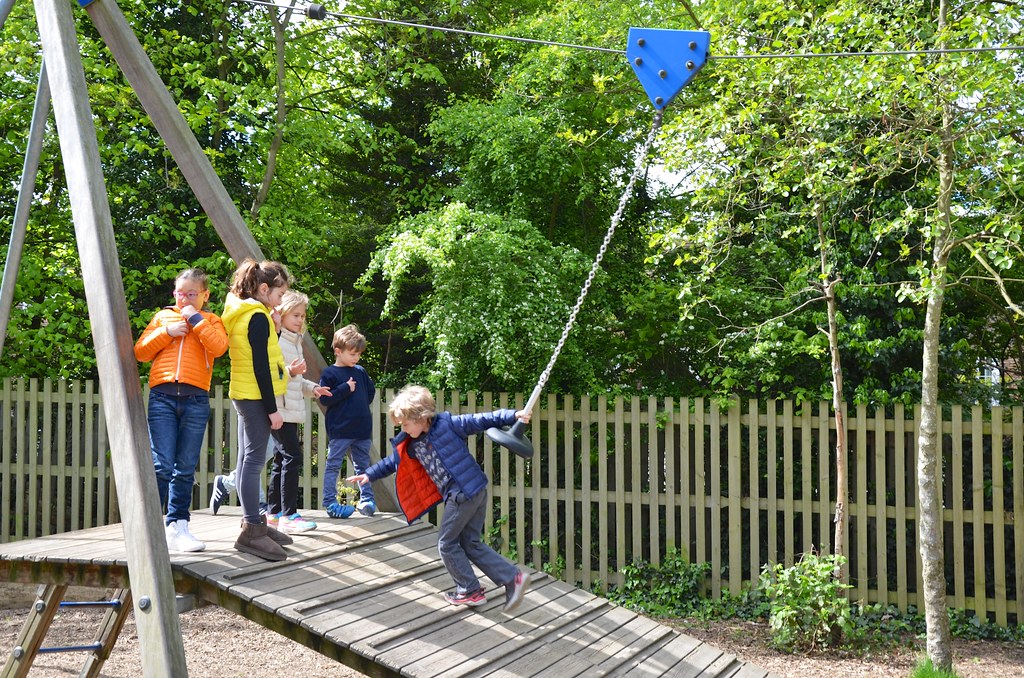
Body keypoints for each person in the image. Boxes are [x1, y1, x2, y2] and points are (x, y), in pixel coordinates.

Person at [347, 384, 532, 612]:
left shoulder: (447, 424)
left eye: (405, 423)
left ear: (421, 417)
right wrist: (369, 474)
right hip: (474, 491)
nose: (402, 428)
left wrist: (513, 415)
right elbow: (392, 462)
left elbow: (482, 419)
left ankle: (469, 590)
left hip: (463, 493)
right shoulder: (410, 442)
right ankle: (513, 579)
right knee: (470, 542)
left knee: (446, 543)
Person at [134, 268, 228, 553]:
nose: (184, 298)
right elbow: (141, 352)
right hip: (162, 397)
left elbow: (219, 347)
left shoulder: (211, 320)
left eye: (191, 294)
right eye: (179, 293)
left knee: (185, 467)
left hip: (196, 399)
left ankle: (177, 524)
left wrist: (195, 320)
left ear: (204, 295)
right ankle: (150, 527)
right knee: (161, 465)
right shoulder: (163, 317)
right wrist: (166, 332)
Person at [221, 258, 295, 561]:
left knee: (244, 458)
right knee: (252, 462)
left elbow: (261, 352)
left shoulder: (245, 312)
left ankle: (256, 522)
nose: (280, 301)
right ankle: (252, 530)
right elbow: (261, 367)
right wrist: (272, 409)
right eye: (279, 295)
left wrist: (275, 327)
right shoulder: (258, 317)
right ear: (264, 289)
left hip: (243, 392)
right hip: (255, 396)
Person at [265, 290, 331, 533]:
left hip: (290, 410)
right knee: (293, 457)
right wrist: (291, 373)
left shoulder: (295, 342)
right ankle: (289, 515)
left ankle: (274, 514)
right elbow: (274, 377)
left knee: (282, 460)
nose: (300, 319)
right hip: (279, 410)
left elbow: (295, 380)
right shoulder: (278, 341)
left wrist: (313, 388)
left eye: (303, 315)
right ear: (282, 313)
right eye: (295, 314)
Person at [319, 324, 375, 518]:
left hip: (361, 429)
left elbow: (370, 393)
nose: (356, 358)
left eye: (358, 354)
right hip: (340, 430)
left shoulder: (360, 371)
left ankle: (367, 500)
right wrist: (344, 389)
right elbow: (324, 399)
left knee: (363, 466)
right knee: (333, 465)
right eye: (352, 354)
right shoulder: (329, 374)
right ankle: (329, 502)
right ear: (338, 351)